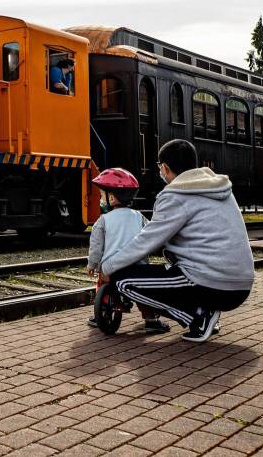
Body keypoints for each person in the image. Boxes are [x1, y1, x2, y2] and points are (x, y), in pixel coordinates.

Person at [100, 139, 254, 343]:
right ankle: (204, 311)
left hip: (213, 283)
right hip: (241, 285)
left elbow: (148, 241)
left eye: (159, 168)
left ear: (164, 167)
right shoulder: (218, 187)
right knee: (170, 261)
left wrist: (108, 266)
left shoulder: (175, 195)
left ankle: (198, 317)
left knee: (124, 280)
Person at [86, 167, 170, 333]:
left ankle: (100, 314)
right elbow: (151, 237)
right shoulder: (139, 217)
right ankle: (151, 320)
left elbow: (96, 246)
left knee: (102, 284)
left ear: (111, 198)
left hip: (111, 269)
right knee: (142, 292)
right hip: (137, 268)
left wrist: (92, 265)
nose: (101, 199)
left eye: (102, 195)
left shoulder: (103, 220)